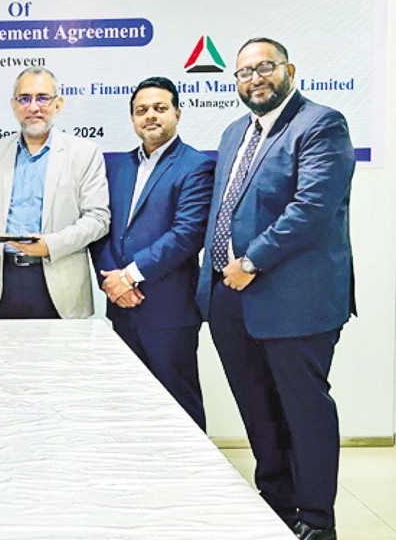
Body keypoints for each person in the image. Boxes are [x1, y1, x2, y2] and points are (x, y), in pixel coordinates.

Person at [196, 38, 356, 540]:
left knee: (304, 410)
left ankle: (316, 519)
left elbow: (312, 209)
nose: (254, 78)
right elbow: (222, 210)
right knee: (258, 410)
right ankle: (276, 505)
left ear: (289, 70)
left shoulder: (321, 125)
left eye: (264, 67)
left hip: (294, 301)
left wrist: (251, 261)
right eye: (244, 72)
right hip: (229, 299)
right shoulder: (233, 133)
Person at [90, 76, 214, 430]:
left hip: (168, 309)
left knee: (178, 402)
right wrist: (112, 281)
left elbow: (187, 235)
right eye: (141, 110)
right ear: (132, 118)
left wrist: (130, 276)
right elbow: (101, 227)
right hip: (122, 306)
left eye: (160, 108)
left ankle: (188, 464)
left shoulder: (196, 166)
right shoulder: (117, 166)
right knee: (129, 403)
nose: (150, 116)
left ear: (177, 113)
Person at [0, 66, 110, 319]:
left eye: (43, 98)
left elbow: (98, 219)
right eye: (24, 99)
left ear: (58, 104)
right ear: (14, 105)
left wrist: (50, 245)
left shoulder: (84, 153)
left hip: (62, 283)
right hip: (5, 283)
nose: (33, 107)